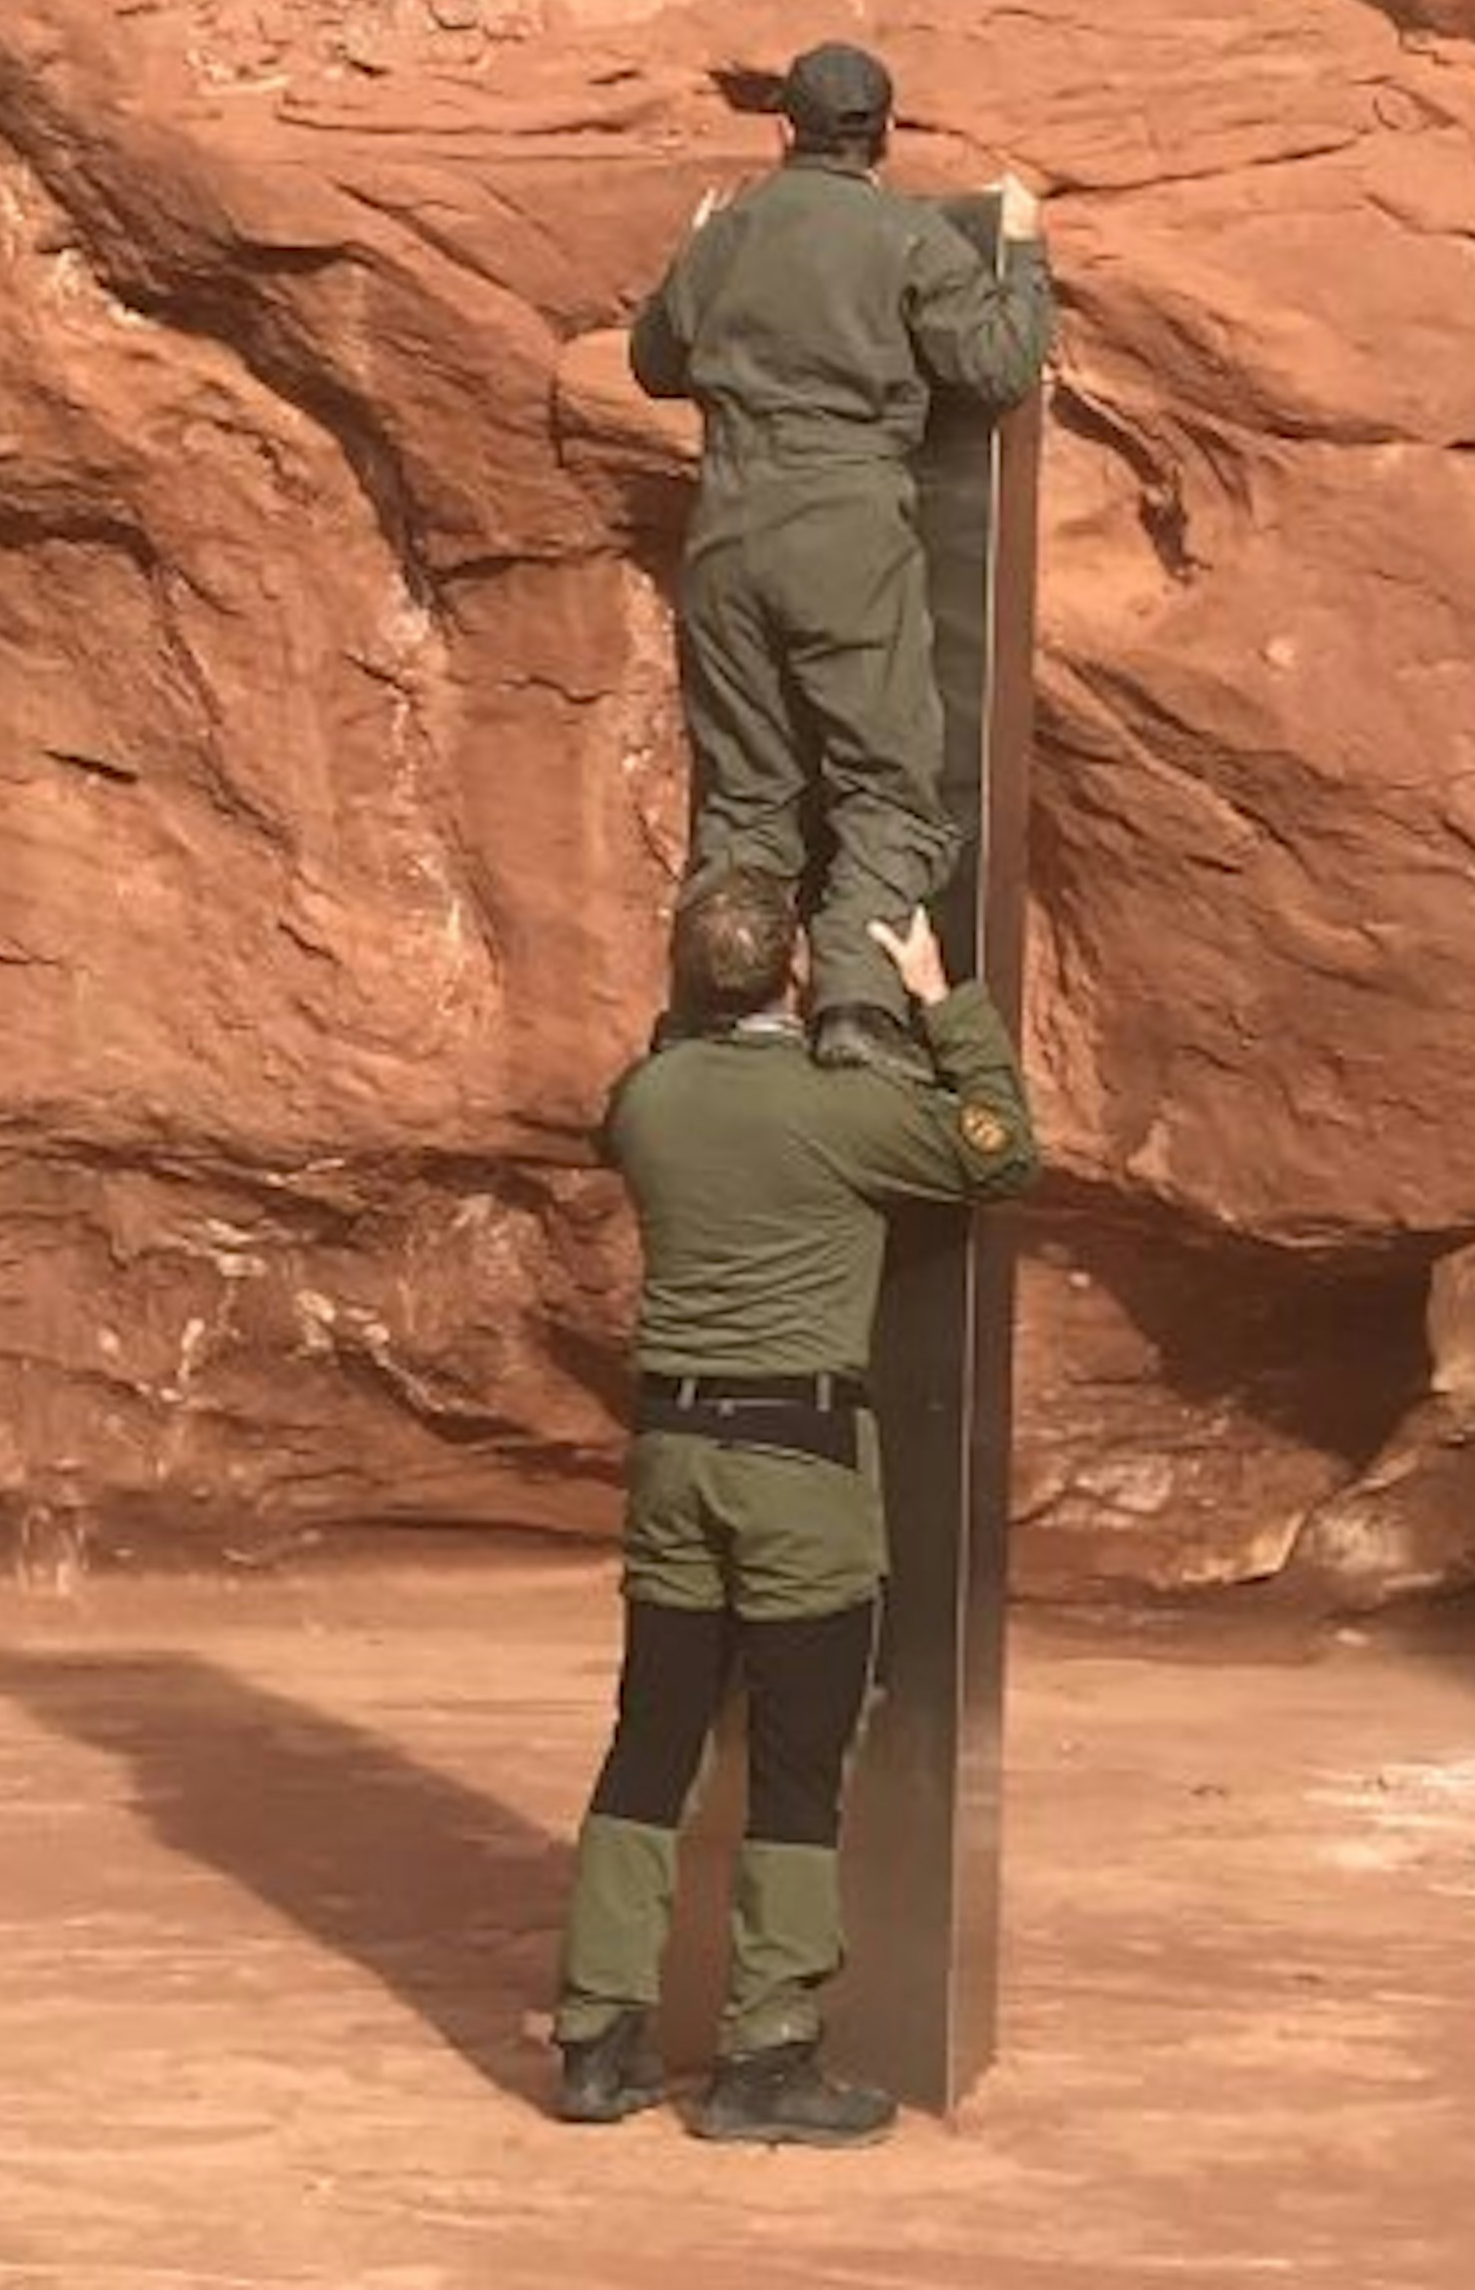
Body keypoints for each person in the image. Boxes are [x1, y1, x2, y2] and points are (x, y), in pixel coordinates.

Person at [551, 868, 1041, 2145]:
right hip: (799, 1464)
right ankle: (766, 2051)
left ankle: (598, 2032)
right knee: (794, 1759)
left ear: (682, 972)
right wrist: (944, 1005)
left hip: (673, 1452)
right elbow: (1002, 1152)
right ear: (798, 977)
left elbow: (630, 1096)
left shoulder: (649, 1102)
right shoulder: (844, 1107)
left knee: (650, 1738)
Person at [628, 39, 1055, 1082]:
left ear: (783, 131)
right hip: (848, 531)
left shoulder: (725, 236)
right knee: (885, 787)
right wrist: (1028, 251)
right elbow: (996, 365)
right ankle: (857, 1008)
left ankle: (711, 1013)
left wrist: (701, 250)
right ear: (886, 135)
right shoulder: (905, 236)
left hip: (728, 530)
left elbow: (653, 363)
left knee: (746, 791)